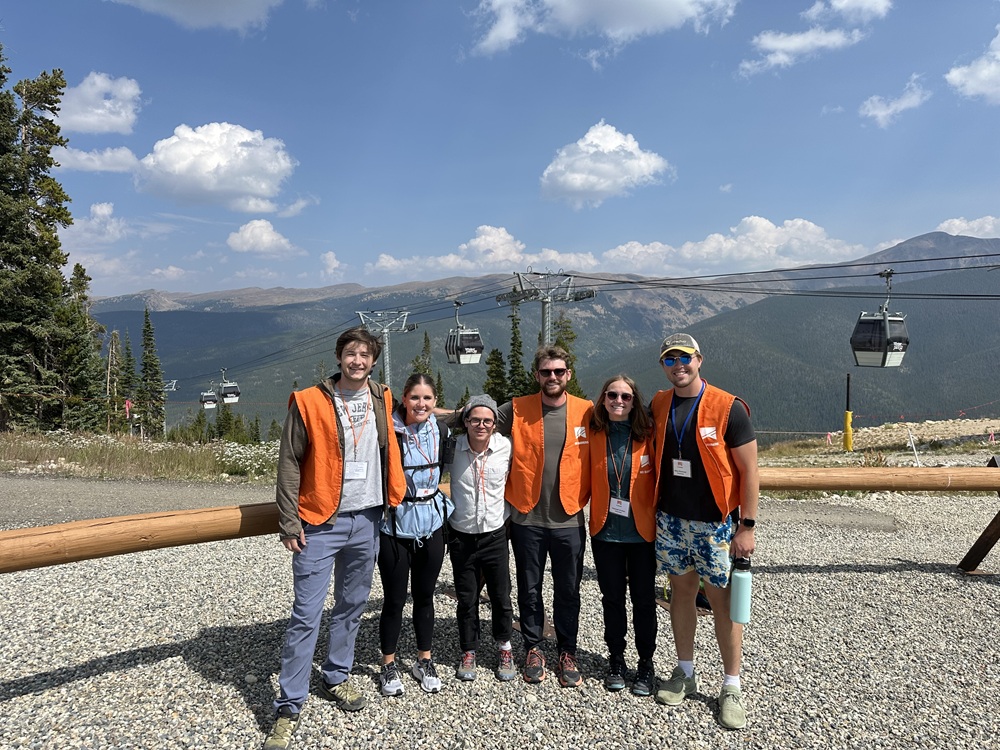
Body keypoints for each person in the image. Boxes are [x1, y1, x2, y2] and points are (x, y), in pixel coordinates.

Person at [264, 327, 406, 750]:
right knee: (306, 615)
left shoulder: (382, 397)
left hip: (367, 518)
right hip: (318, 521)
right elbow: (289, 462)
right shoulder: (308, 401)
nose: (357, 360)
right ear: (339, 357)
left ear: (373, 360)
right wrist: (289, 521)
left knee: (351, 606)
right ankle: (289, 707)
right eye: (350, 353)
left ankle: (336, 676)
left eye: (364, 354)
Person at [649, 333, 759, 731]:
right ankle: (685, 671)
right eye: (669, 359)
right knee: (680, 593)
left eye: (684, 358)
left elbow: (750, 471)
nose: (678, 365)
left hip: (716, 524)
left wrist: (746, 527)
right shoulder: (660, 403)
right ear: (663, 366)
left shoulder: (729, 407)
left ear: (699, 359)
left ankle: (731, 686)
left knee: (722, 601)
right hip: (672, 520)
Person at [497, 345, 593, 686]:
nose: (552, 377)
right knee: (529, 587)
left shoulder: (587, 412)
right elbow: (477, 418)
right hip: (526, 518)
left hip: (569, 518)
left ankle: (567, 651)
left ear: (569, 374)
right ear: (536, 375)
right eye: (546, 372)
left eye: (558, 371)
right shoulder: (517, 409)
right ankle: (534, 647)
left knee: (568, 589)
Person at [377, 373, 453, 697]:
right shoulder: (388, 433)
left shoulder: (443, 430)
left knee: (425, 596)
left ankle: (424, 659)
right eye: (415, 398)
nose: (421, 404)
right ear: (404, 399)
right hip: (396, 523)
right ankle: (387, 664)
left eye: (427, 399)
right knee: (394, 600)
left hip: (432, 522)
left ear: (435, 402)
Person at [588, 374, 658, 696]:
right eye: (612, 395)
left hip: (642, 534)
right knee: (612, 600)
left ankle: (646, 663)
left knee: (643, 601)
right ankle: (616, 659)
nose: (618, 401)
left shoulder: (648, 435)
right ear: (603, 398)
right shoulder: (594, 433)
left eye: (625, 397)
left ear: (634, 401)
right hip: (605, 532)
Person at [445, 394, 516, 682]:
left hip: (495, 533)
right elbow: (430, 419)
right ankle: (469, 649)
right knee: (466, 597)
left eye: (488, 420)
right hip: (461, 535)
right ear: (465, 421)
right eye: (475, 419)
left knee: (501, 595)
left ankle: (505, 646)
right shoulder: (451, 447)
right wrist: (458, 411)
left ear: (495, 424)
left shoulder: (506, 447)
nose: (482, 425)